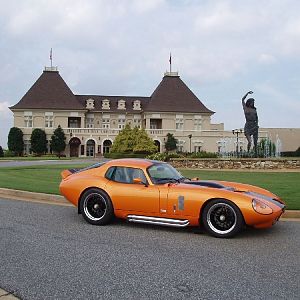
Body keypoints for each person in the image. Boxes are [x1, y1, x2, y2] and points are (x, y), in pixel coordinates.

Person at [242, 91, 259, 155]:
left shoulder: (254, 110)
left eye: (253, 102)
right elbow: (242, 99)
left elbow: (257, 117)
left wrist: (257, 124)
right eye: (252, 102)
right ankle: (248, 152)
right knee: (250, 141)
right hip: (248, 126)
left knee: (255, 142)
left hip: (254, 126)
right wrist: (247, 93)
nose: (253, 103)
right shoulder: (245, 108)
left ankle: (256, 154)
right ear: (249, 102)